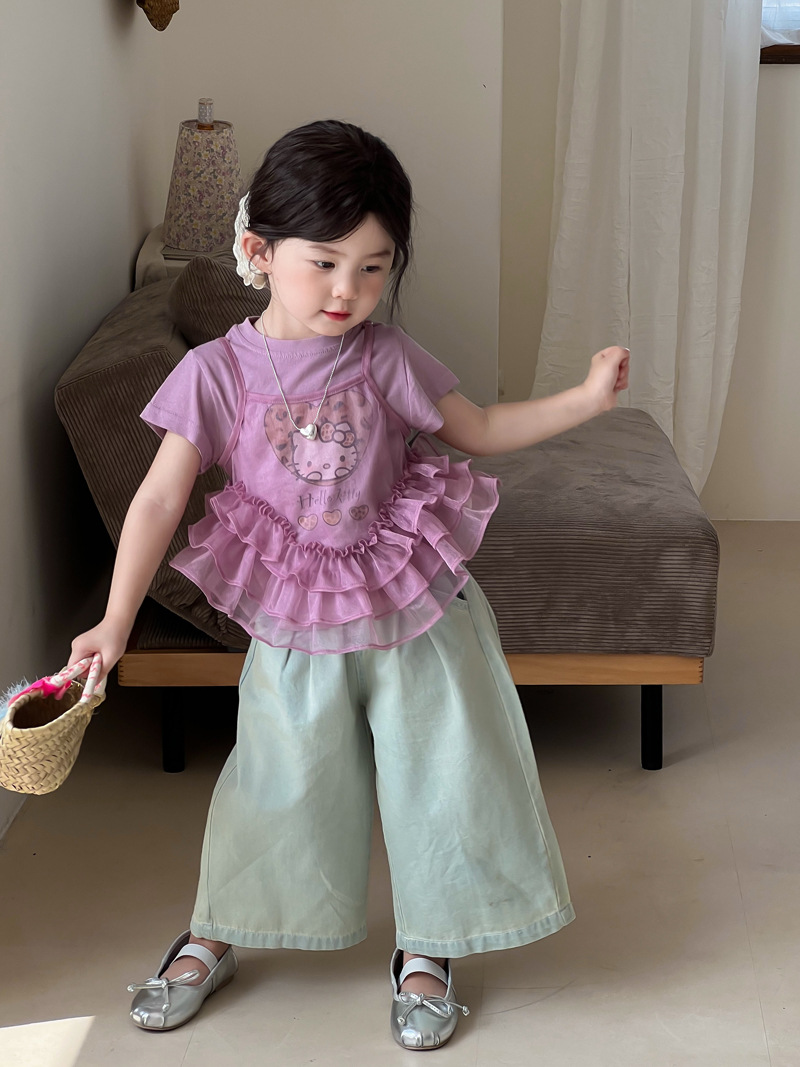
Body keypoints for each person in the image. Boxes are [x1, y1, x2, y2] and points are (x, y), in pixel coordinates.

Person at [69, 119, 629, 1052]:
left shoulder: (387, 356)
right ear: (259, 251)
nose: (348, 291)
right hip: (299, 621)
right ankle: (216, 930)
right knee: (275, 778)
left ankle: (428, 945)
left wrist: (585, 398)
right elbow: (160, 497)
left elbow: (480, 429)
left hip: (418, 611)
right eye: (324, 263)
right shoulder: (217, 373)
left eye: (373, 268)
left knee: (442, 776)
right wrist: (114, 620)